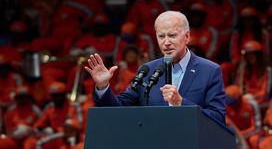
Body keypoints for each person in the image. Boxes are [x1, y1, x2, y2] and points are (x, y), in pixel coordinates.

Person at [85, 11, 226, 124]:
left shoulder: (210, 70)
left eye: (172, 35)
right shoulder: (148, 70)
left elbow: (218, 118)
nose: (166, 43)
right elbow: (119, 109)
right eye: (161, 36)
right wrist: (103, 87)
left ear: (187, 36)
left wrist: (181, 103)